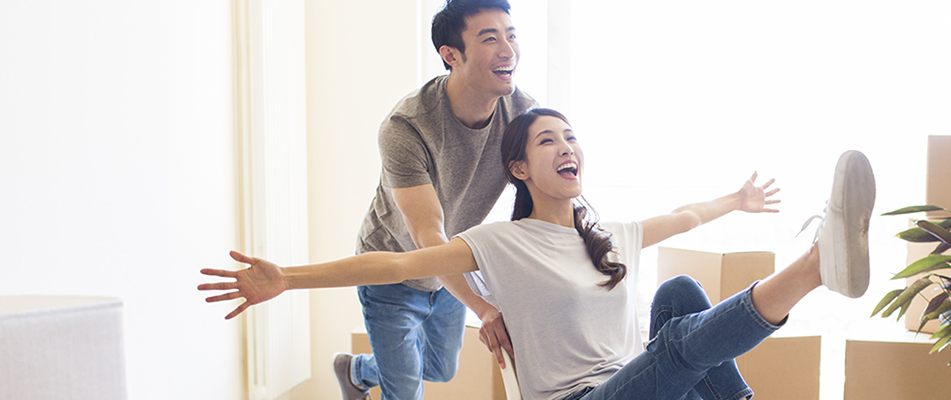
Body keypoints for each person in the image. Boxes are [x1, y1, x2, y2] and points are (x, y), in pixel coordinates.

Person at [200, 108, 876, 400]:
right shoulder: (500, 243)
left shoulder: (610, 235)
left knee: (678, 300)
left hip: (632, 384)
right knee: (675, 344)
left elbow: (685, 214)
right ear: (520, 168)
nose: (566, 147)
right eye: (548, 141)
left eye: (571, 137)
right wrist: (287, 277)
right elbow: (398, 265)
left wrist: (736, 199)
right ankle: (818, 266)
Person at [342, 0, 535, 398]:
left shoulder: (522, 116)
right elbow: (427, 234)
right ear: (451, 55)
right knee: (406, 389)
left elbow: (538, 202)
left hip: (450, 268)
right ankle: (382, 374)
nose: (508, 50)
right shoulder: (406, 127)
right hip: (392, 268)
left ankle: (357, 371)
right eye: (490, 38)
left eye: (511, 35)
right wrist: (482, 306)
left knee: (440, 369)